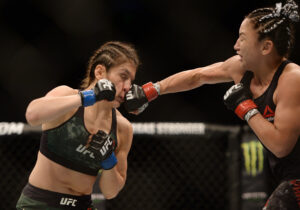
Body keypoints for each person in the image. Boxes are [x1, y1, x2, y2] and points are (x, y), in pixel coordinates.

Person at [124, 0, 300, 209]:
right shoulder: (241, 68)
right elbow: (198, 76)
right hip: (286, 174)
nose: (235, 46)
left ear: (266, 47)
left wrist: (245, 107)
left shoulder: (292, 80)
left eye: (242, 39)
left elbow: (281, 146)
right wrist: (151, 91)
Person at [16, 41, 140, 210]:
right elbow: (32, 115)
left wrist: (108, 159)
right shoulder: (67, 98)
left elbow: (111, 191)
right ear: (100, 72)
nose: (127, 87)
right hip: (40, 204)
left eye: (131, 81)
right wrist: (86, 97)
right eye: (123, 76)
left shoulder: (122, 128)